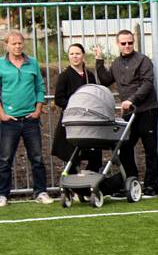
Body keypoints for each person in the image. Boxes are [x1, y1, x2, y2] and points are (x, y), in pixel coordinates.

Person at [94, 30, 158, 197]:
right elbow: (106, 80)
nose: (127, 46)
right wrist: (99, 61)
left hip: (147, 110)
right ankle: (131, 182)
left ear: (133, 42)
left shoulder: (143, 60)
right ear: (118, 44)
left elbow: (147, 83)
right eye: (123, 43)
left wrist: (132, 100)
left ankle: (152, 186)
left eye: (129, 42)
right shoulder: (116, 63)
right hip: (129, 113)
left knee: (150, 149)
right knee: (125, 147)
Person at [0, 30, 53, 207]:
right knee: (5, 159)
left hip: (31, 119)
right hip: (9, 121)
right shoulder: (0, 64)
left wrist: (38, 109)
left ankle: (40, 192)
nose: (17, 46)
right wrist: (1, 114)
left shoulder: (33, 63)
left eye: (20, 43)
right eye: (13, 43)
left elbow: (40, 87)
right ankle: (2, 194)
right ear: (6, 45)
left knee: (37, 158)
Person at [52, 43, 103, 173]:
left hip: (88, 121)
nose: (75, 56)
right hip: (72, 120)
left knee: (95, 154)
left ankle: (89, 183)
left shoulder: (89, 75)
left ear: (83, 56)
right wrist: (75, 105)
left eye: (78, 53)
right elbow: (59, 99)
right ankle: (74, 188)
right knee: (72, 156)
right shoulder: (64, 76)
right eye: (72, 54)